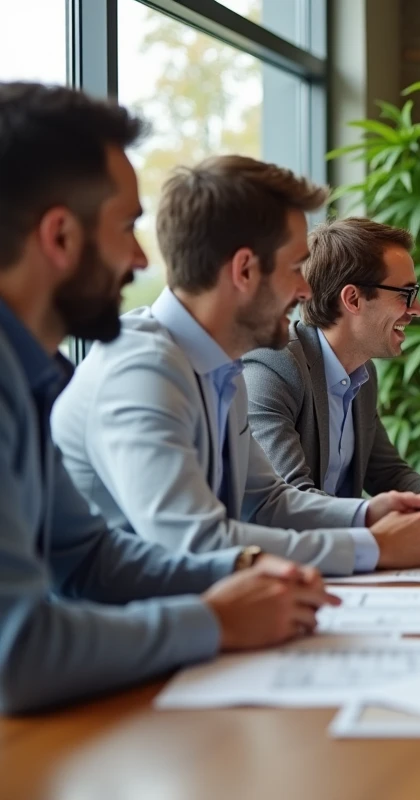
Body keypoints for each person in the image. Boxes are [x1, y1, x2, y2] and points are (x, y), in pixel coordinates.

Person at [0, 82, 338, 714]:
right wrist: (215, 621)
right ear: (60, 237)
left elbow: (86, 555)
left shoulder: (25, 377)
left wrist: (239, 573)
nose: (137, 256)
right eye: (126, 227)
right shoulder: (129, 366)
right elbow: (14, 653)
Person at [51, 155, 420, 577]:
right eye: (296, 267)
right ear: (244, 270)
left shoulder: (221, 367)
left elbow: (268, 500)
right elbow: (196, 541)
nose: (306, 289)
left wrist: (368, 514)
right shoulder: (141, 370)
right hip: (124, 623)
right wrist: (369, 546)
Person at [242, 217, 420, 539]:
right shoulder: (272, 367)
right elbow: (292, 501)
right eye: (406, 294)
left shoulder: (361, 371)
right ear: (353, 299)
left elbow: (387, 474)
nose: (418, 309)